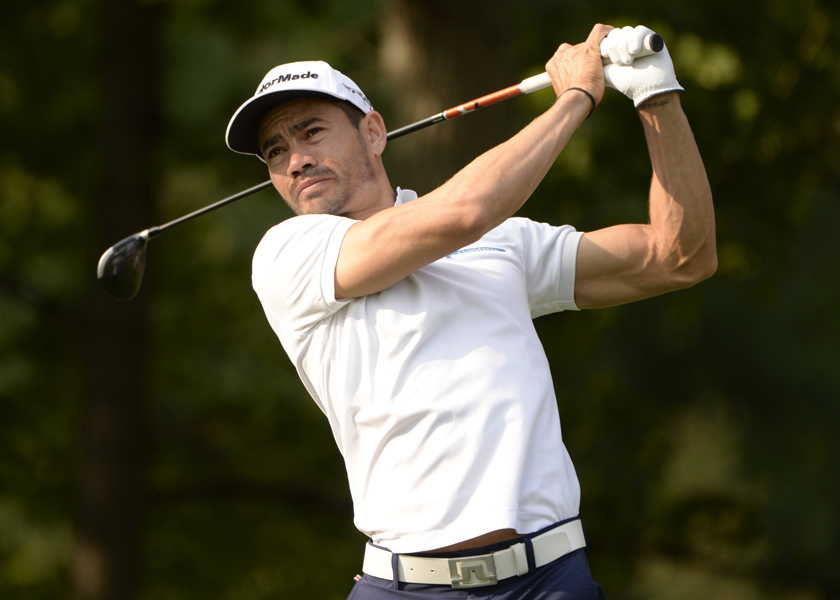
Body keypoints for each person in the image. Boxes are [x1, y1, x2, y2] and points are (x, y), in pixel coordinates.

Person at [225, 23, 716, 599]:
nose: (296, 160)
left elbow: (680, 256)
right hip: (407, 588)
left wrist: (656, 94)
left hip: (550, 580)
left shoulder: (504, 241)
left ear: (374, 132)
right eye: (275, 151)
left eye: (311, 132)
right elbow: (463, 214)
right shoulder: (288, 254)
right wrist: (576, 98)